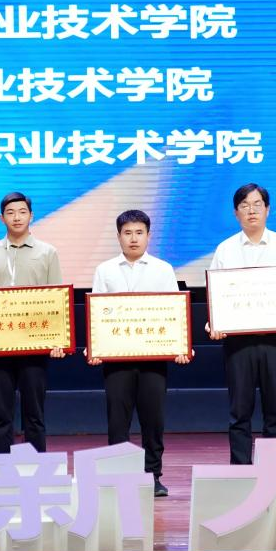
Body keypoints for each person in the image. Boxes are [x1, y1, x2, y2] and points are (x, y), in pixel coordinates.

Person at [207, 183, 276, 465]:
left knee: (275, 411)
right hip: (238, 342)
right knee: (239, 411)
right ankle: (240, 470)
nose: (251, 210)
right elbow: (216, 295)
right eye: (244, 205)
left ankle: (272, 469)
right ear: (236, 213)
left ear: (268, 209)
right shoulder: (225, 249)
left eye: (257, 204)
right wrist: (214, 322)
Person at [88, 209, 192, 497]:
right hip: (116, 359)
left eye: (139, 232)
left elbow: (173, 312)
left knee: (153, 420)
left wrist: (179, 346)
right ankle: (117, 476)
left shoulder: (163, 269)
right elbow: (97, 313)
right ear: (118, 236)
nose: (133, 238)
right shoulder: (105, 270)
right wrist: (95, 347)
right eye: (127, 233)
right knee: (117, 420)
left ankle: (153, 476)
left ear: (148, 235)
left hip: (153, 359)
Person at [0, 192, 65, 453]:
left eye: (22, 212)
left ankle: (37, 467)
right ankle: (3, 468)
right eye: (10, 213)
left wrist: (59, 340)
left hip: (35, 344)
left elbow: (57, 300)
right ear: (2, 218)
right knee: (2, 415)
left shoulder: (48, 252)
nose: (17, 217)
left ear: (31, 215)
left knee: (35, 414)